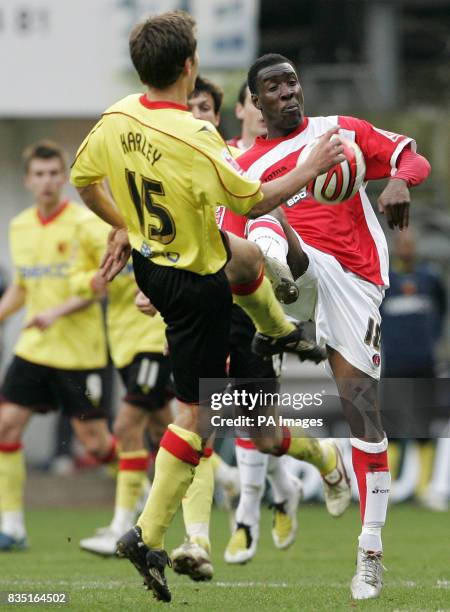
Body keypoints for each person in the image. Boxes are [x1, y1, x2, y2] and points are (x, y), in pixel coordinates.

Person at [70, 12, 346, 603]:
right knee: (200, 420)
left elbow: (83, 177)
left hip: (165, 264)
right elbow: (256, 198)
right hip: (194, 288)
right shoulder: (196, 139)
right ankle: (146, 533)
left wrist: (126, 226)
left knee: (243, 260)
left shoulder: (118, 116)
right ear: (190, 67)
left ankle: (279, 331)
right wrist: (310, 166)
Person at [222, 53, 431, 600]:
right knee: (259, 227)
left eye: (292, 82)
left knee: (362, 412)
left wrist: (398, 182)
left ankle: (370, 549)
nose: (288, 92)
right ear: (256, 104)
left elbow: (412, 157)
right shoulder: (245, 170)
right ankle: (280, 300)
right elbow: (225, 241)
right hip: (297, 264)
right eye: (273, 86)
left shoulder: (339, 133)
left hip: (355, 279)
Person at [0, 141, 115, 551]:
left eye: (54, 173)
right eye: (40, 174)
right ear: (28, 181)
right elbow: (21, 287)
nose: (47, 181)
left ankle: (137, 496)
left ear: (63, 178)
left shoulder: (87, 225)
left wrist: (56, 311)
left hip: (79, 354)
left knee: (96, 444)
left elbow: (103, 283)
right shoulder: (19, 226)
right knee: (6, 425)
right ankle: (11, 526)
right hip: (34, 348)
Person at [66, 213, 174, 556]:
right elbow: (75, 278)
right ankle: (226, 480)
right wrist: (92, 282)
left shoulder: (157, 213)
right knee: (167, 431)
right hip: (123, 344)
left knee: (127, 426)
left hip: (154, 339)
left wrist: (161, 293)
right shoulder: (89, 226)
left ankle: (122, 526)